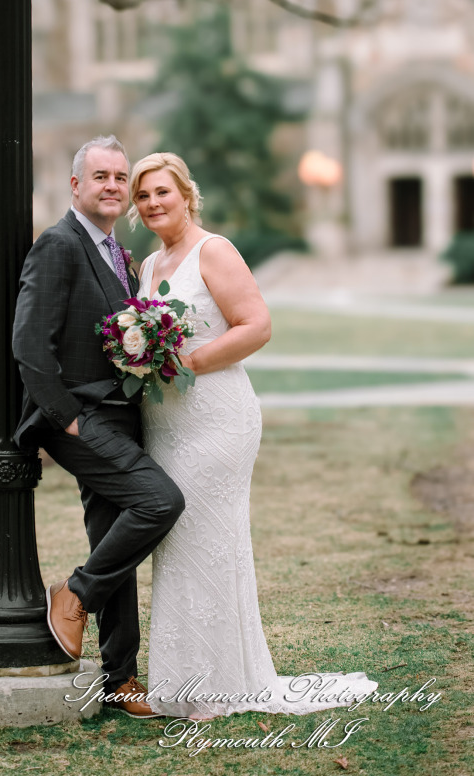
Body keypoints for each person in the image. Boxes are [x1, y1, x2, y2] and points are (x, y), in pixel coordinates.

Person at [130, 152, 378, 719]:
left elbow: (257, 325)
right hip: (165, 426)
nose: (152, 204)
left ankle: (215, 689)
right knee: (178, 546)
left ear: (186, 194)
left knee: (208, 543)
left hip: (216, 418)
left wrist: (188, 362)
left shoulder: (212, 251)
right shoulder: (148, 266)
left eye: (162, 192)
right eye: (143, 197)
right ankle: (182, 680)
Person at [12, 136, 184, 719]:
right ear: (75, 186)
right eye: (101, 176)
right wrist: (69, 420)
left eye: (120, 177)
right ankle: (75, 594)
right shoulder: (59, 245)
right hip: (79, 420)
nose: (112, 186)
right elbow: (30, 347)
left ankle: (120, 677)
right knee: (159, 501)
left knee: (115, 534)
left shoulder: (120, 256)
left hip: (120, 416)